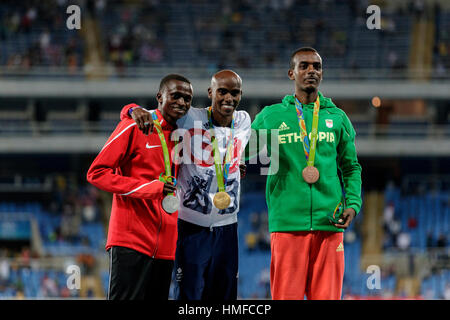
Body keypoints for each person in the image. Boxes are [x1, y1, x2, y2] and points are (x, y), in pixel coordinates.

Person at [120, 70, 251, 300]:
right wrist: (131, 109)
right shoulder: (189, 117)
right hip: (190, 226)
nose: (228, 98)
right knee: (188, 297)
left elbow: (234, 149)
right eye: (222, 92)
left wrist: (239, 162)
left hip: (228, 227)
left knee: (225, 296)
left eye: (235, 93)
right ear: (211, 93)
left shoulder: (244, 120)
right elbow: (148, 114)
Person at [247, 47, 362, 300]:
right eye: (304, 66)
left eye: (317, 66)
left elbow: (351, 167)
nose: (311, 71)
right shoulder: (270, 116)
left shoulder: (338, 118)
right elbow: (243, 156)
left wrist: (352, 204)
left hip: (329, 225)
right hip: (288, 226)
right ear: (292, 73)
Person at [86, 74, 193, 300]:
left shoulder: (184, 134)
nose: (182, 102)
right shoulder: (135, 126)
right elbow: (96, 174)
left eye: (187, 98)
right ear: (159, 97)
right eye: (176, 96)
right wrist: (150, 188)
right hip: (130, 239)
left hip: (166, 243)